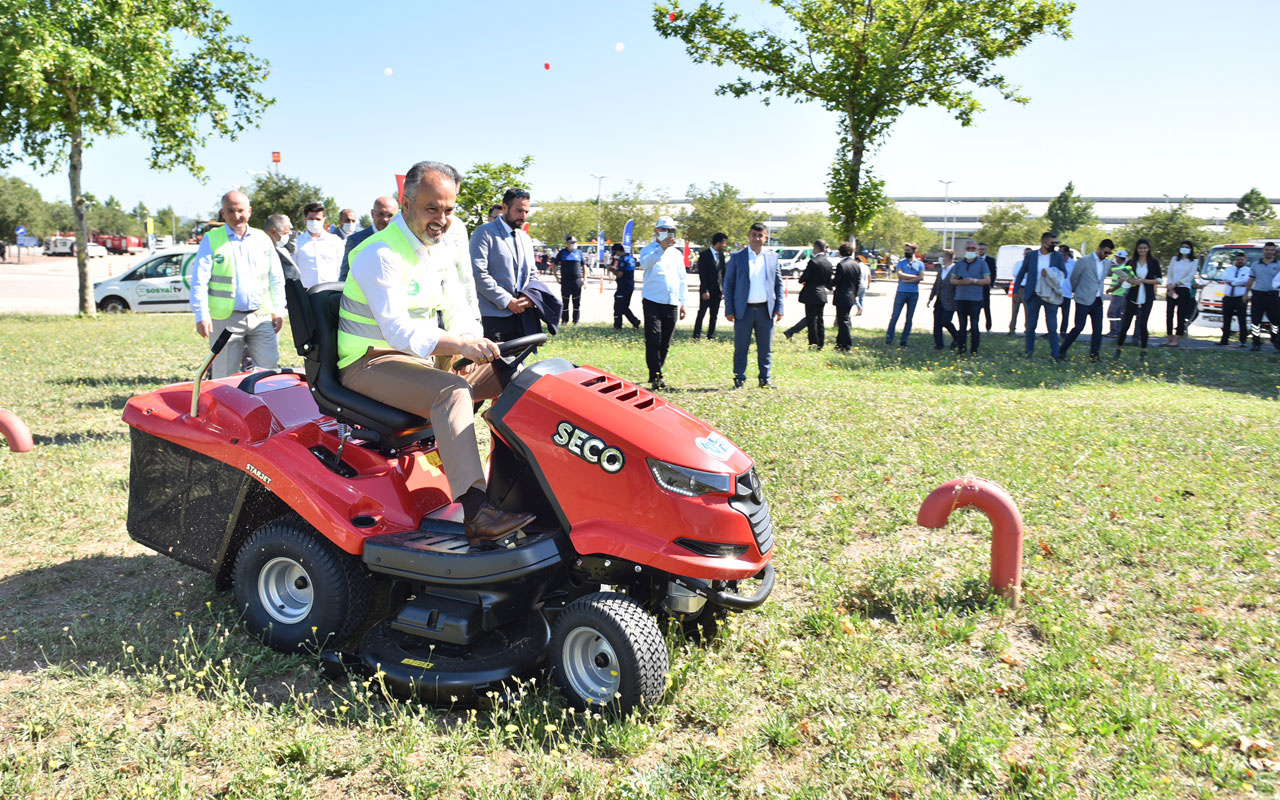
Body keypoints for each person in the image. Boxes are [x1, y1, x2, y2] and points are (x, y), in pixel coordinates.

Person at [338, 160, 535, 544]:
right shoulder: (380, 254)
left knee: (516, 378)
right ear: (406, 204)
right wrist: (459, 345)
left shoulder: (436, 252)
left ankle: (525, 488)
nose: (441, 219)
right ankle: (477, 512)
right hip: (371, 362)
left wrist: (469, 342)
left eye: (448, 210)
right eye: (432, 208)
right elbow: (398, 331)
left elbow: (459, 308)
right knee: (452, 392)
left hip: (420, 358)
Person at [188, 191, 285, 379]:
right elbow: (199, 281)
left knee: (269, 372)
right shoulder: (212, 239)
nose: (236, 216)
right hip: (226, 320)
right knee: (224, 375)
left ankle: (264, 407)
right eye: (230, 211)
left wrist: (278, 310)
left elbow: (276, 277)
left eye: (240, 210)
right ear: (223, 214)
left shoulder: (262, 239)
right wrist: (201, 315)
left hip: (261, 317)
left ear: (249, 211)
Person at [469, 188, 536, 345]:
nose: (523, 216)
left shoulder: (525, 238)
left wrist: (529, 297)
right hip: (493, 317)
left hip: (522, 316)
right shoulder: (484, 233)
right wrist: (507, 301)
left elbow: (532, 274)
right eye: (519, 211)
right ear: (505, 207)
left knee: (520, 366)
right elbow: (479, 274)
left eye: (526, 212)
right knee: (497, 367)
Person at [724, 222, 784, 388]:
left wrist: (779, 307)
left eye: (760, 236)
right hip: (744, 311)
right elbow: (728, 284)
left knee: (765, 349)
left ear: (765, 238)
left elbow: (778, 284)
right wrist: (729, 309)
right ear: (749, 236)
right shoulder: (738, 257)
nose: (757, 239)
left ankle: (765, 379)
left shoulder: (772, 257)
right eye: (754, 235)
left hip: (766, 310)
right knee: (741, 348)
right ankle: (739, 379)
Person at [637, 215, 688, 390]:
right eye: (664, 230)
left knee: (665, 342)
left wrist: (683, 302)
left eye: (671, 230)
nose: (668, 233)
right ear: (656, 231)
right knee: (653, 339)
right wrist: (661, 248)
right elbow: (645, 264)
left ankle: (655, 372)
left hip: (671, 302)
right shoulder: (648, 250)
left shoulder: (677, 254)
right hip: (652, 300)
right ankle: (657, 376)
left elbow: (682, 278)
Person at [1059, 239, 1114, 361]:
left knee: (1098, 329)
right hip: (1083, 299)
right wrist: (1078, 291)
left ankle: (1094, 356)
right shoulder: (1085, 260)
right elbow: (1074, 278)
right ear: (1099, 248)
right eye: (1105, 252)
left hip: (1098, 299)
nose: (1106, 255)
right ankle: (1061, 351)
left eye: (1109, 253)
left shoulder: (1106, 263)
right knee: (1078, 327)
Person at [1014, 232, 1066, 360]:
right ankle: (1029, 352)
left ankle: (1055, 355)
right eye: (1052, 243)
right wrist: (1015, 291)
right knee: (1030, 326)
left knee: (1052, 326)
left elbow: (1064, 273)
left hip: (1050, 294)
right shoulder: (1031, 256)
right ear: (1043, 243)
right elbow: (1021, 273)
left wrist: (1050, 272)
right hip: (1033, 294)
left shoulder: (1058, 256)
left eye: (1056, 243)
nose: (1054, 245)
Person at [1115, 238, 1162, 360]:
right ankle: (1118, 350)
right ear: (1137, 249)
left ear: (1149, 249)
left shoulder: (1153, 262)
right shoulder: (1131, 261)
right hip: (1133, 296)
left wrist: (1144, 281)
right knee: (1126, 323)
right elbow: (1123, 276)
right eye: (1140, 248)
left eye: (1145, 248)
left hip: (1147, 296)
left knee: (1143, 324)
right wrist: (1130, 280)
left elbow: (1159, 280)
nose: (1142, 250)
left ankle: (1143, 352)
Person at [783, 239, 833, 349]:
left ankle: (813, 343)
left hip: (811, 294)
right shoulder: (828, 263)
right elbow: (829, 282)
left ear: (815, 248)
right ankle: (820, 343)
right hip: (822, 294)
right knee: (820, 319)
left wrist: (803, 280)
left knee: (811, 320)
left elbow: (803, 278)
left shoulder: (813, 262)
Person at [341, 196, 400, 281]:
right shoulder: (355, 240)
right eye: (380, 214)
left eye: (390, 215)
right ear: (372, 213)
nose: (385, 219)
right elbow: (345, 276)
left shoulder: (403, 239)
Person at [950, 242, 990, 355]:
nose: (970, 250)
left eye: (973, 248)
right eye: (968, 248)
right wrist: (960, 281)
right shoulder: (959, 264)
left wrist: (974, 281)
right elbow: (952, 280)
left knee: (974, 326)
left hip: (975, 299)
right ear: (964, 250)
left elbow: (987, 280)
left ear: (976, 250)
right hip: (960, 298)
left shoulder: (982, 264)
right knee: (962, 326)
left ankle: (974, 350)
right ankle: (961, 350)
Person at [295, 202, 344, 287]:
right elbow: (294, 270)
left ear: (324, 219)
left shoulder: (335, 241)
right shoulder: (297, 242)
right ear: (305, 219)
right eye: (311, 219)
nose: (314, 222)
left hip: (330, 290)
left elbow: (341, 267)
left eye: (318, 219)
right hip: (305, 291)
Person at [884, 242, 925, 347]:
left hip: (913, 294)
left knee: (909, 318)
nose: (906, 252)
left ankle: (904, 339)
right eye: (905, 250)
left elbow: (921, 277)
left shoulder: (920, 264)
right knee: (895, 316)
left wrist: (907, 280)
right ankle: (889, 338)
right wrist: (913, 277)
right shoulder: (901, 262)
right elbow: (899, 274)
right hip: (901, 292)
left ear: (914, 251)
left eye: (908, 250)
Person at [1162, 240, 1199, 348]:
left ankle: (1177, 339)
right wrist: (1170, 286)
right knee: (1169, 313)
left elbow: (1190, 276)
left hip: (1183, 289)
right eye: (1182, 246)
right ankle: (1169, 338)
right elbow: (1170, 273)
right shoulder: (1174, 259)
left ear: (1190, 249)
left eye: (1187, 247)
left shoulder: (1193, 261)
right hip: (1172, 289)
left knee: (1180, 314)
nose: (1184, 248)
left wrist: (1177, 284)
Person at [692, 233, 728, 339]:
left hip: (717, 290)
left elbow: (723, 273)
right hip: (707, 290)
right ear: (718, 243)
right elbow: (702, 274)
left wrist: (723, 289)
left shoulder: (721, 256)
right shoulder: (704, 255)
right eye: (724, 243)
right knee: (702, 313)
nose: (725, 245)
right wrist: (705, 290)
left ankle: (711, 335)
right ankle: (696, 335)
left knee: (714, 315)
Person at [1248, 241, 1279, 352]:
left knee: (1276, 321)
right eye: (1267, 249)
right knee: (1256, 321)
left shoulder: (1278, 264)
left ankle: (1275, 340)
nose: (1269, 252)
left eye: (1271, 250)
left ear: (1275, 251)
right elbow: (1251, 280)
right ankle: (1256, 343)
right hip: (1258, 295)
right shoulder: (1256, 265)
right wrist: (1246, 294)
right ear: (1263, 251)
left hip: (1273, 296)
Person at [831, 242, 862, 352]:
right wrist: (854, 295)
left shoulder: (841, 265)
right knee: (844, 319)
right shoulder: (856, 265)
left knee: (843, 321)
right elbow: (858, 283)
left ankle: (847, 344)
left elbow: (837, 281)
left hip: (842, 296)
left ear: (840, 252)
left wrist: (829, 283)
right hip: (851, 295)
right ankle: (839, 343)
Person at [1216, 250, 1250, 348]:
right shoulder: (1229, 270)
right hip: (1228, 298)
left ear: (1245, 260)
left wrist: (1233, 282)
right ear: (1235, 260)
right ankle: (1224, 340)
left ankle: (1242, 341)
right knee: (1226, 320)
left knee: (1242, 320)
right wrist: (1239, 282)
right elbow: (1225, 277)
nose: (1240, 261)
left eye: (1242, 259)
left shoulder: (1248, 270)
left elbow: (1246, 280)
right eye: (1238, 259)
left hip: (1240, 298)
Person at [926, 249, 958, 351]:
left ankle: (958, 337)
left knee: (946, 321)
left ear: (948, 257)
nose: (941, 258)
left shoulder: (955, 269)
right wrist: (931, 298)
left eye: (943, 256)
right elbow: (936, 285)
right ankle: (939, 344)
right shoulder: (941, 270)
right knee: (937, 323)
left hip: (950, 301)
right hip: (939, 300)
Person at [608, 243, 642, 329]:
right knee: (624, 306)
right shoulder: (630, 258)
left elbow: (619, 274)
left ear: (618, 251)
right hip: (630, 285)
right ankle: (635, 321)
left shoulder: (623, 260)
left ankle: (618, 326)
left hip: (623, 285)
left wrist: (612, 270)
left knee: (618, 307)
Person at [555, 235, 585, 324]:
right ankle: (564, 320)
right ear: (567, 243)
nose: (573, 244)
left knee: (576, 301)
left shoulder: (579, 253)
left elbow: (584, 266)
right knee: (565, 301)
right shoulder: (562, 253)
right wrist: (556, 277)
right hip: (565, 280)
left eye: (575, 242)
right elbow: (554, 264)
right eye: (571, 242)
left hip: (577, 280)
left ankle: (576, 321)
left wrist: (585, 279)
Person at [263, 214, 300, 282]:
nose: (287, 237)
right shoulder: (261, 254)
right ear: (274, 232)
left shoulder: (283, 251)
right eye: (285, 234)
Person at [1105, 249, 1130, 336]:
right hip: (1119, 294)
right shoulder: (1123, 267)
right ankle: (1118, 331)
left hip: (1119, 294)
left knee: (1113, 313)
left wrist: (1111, 289)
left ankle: (1115, 331)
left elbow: (1120, 282)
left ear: (1119, 258)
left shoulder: (1122, 268)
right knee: (1119, 313)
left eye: (1116, 257)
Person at [1057, 244, 1076, 335]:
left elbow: (1076, 277)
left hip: (1067, 293)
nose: (1060, 255)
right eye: (1059, 253)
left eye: (1062, 253)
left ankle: (1063, 331)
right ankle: (1052, 331)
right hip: (1056, 292)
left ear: (1067, 253)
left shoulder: (1073, 263)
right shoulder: (1055, 262)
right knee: (1052, 314)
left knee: (1065, 315)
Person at [977, 242, 996, 331]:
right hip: (975, 287)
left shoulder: (990, 260)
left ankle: (988, 327)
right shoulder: (975, 260)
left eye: (983, 249)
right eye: (979, 249)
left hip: (985, 287)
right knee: (974, 308)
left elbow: (993, 274)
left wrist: (990, 285)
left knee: (986, 308)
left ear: (986, 250)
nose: (981, 251)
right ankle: (973, 326)